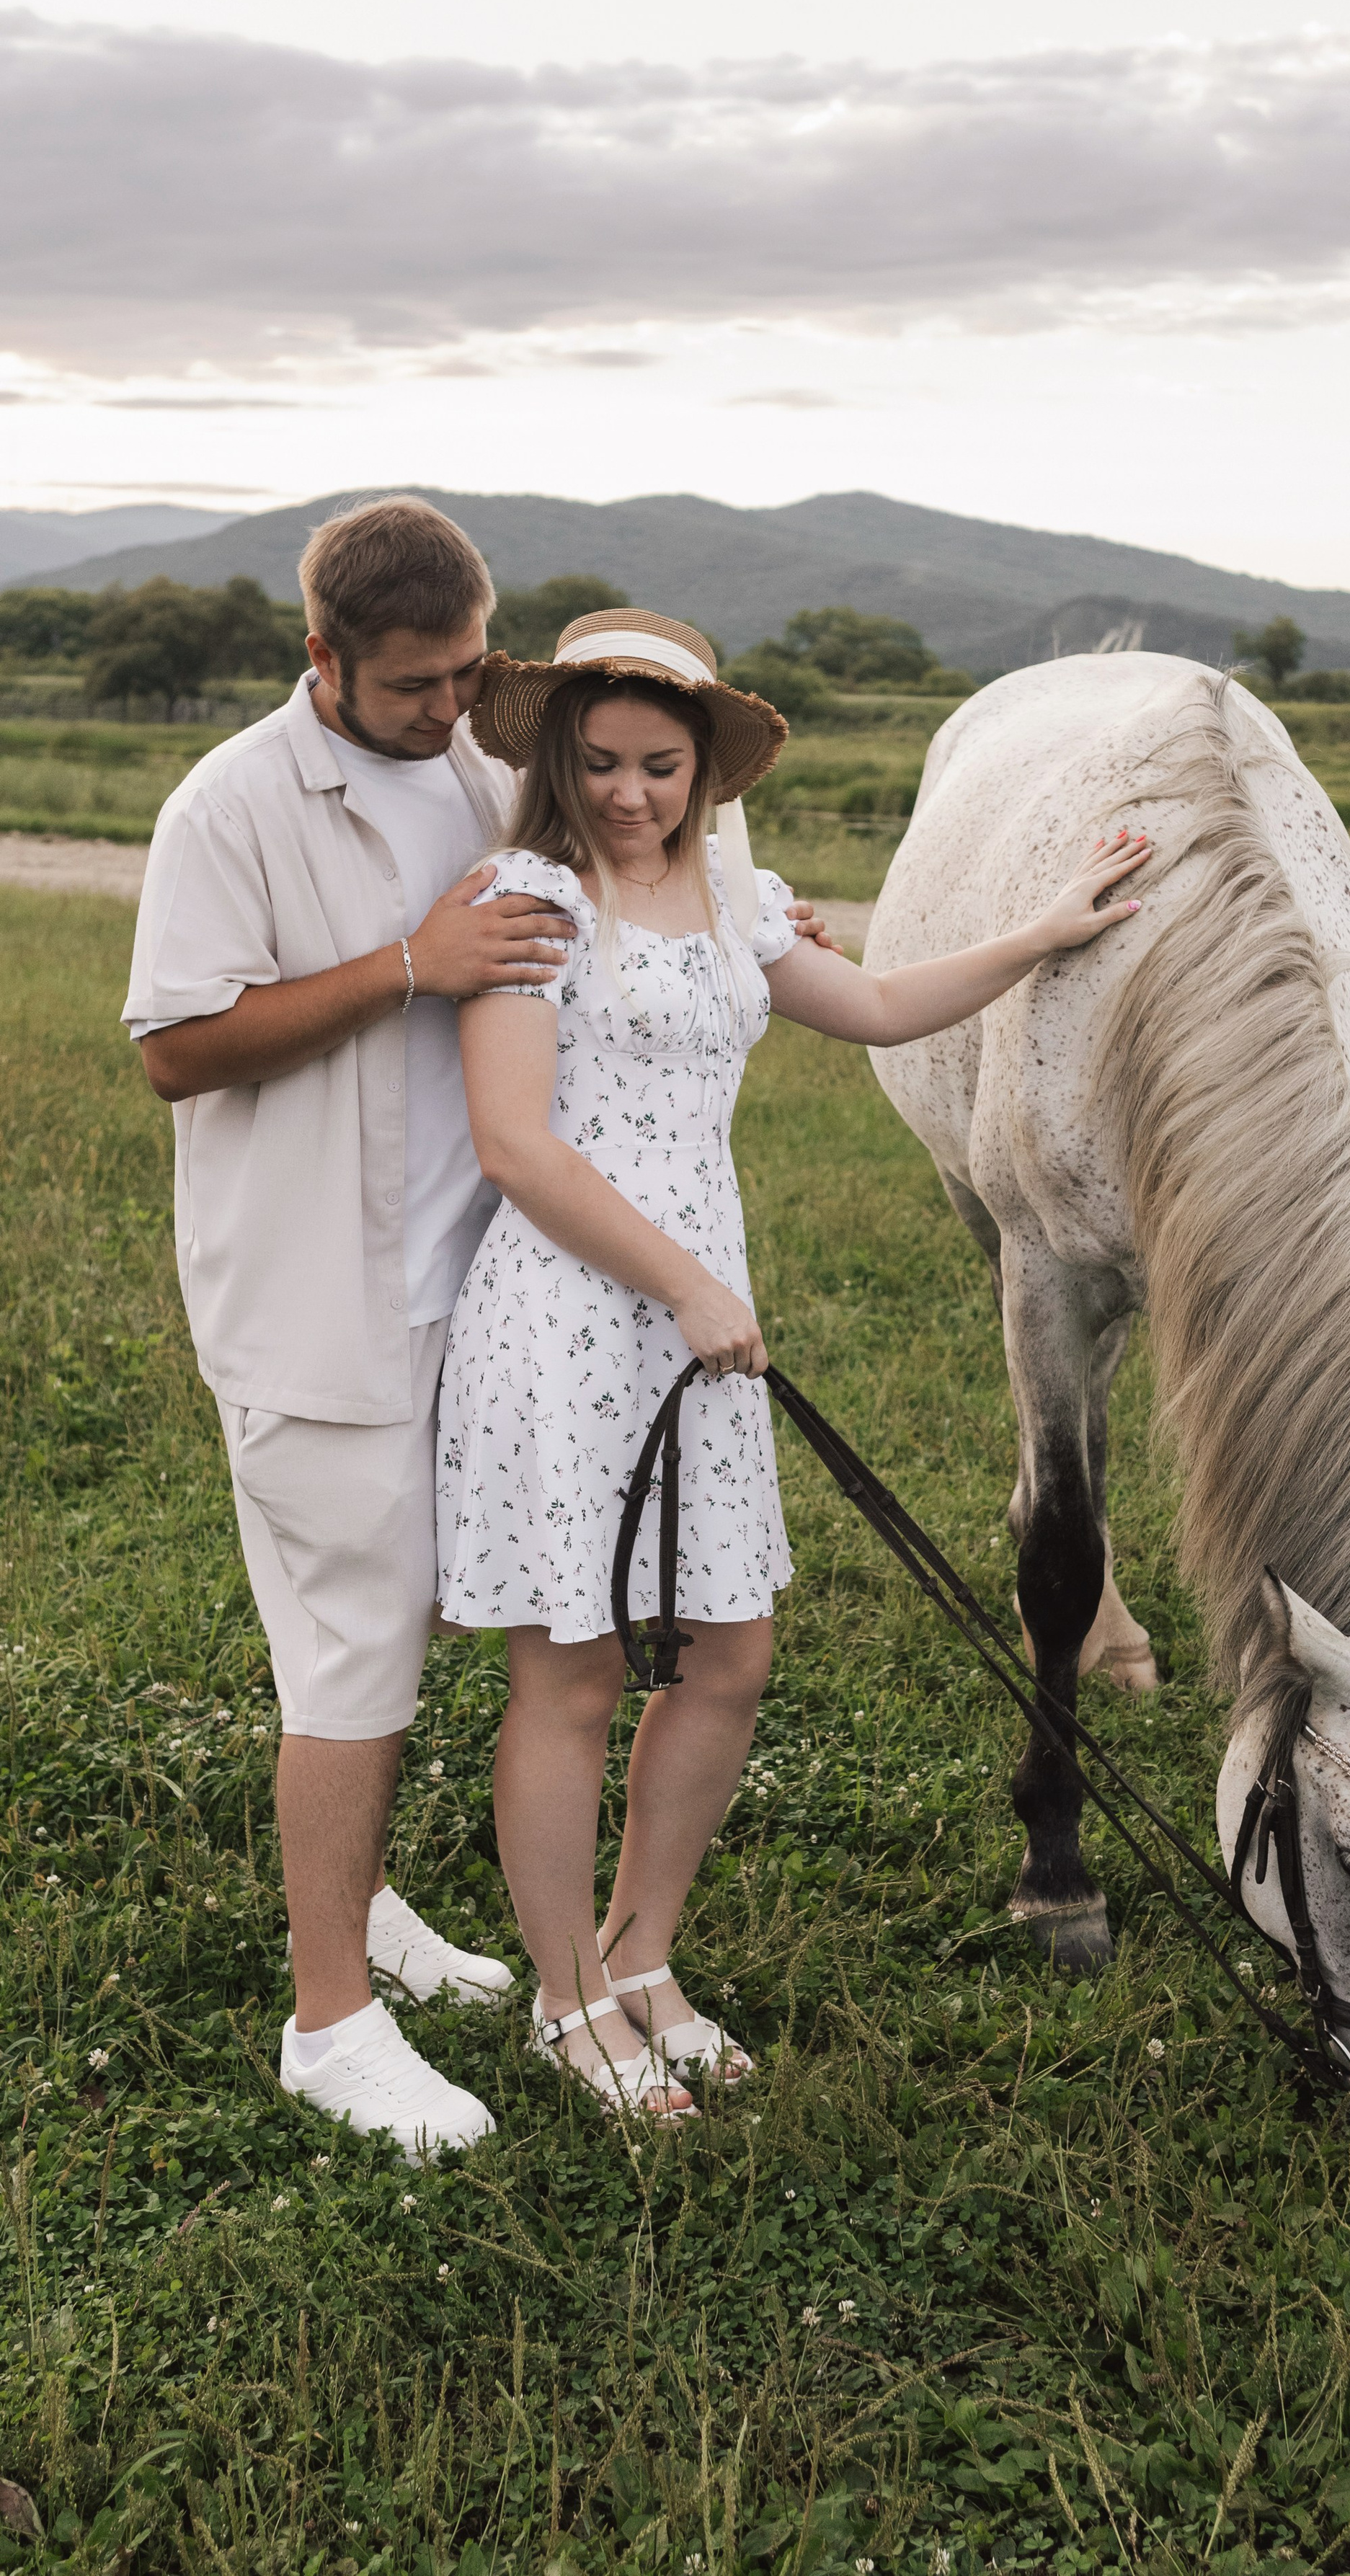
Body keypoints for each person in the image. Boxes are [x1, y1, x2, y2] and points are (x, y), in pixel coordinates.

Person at [122, 499, 839, 2160]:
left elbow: (628, 886)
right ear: (322, 660)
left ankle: (381, 1919)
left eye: (472, 676)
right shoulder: (229, 803)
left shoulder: (466, 769)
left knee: (474, 1640)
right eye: (415, 685)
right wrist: (405, 964)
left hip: (490, 1297)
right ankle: (329, 2025)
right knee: (354, 1665)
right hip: (320, 1303)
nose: (453, 711)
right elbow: (174, 1049)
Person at [438, 608, 1153, 2118]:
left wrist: (1050, 926)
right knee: (570, 1673)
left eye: (659, 765)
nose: (630, 792)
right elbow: (513, 1144)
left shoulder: (739, 901)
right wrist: (686, 1282)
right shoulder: (526, 897)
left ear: (703, 773)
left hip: (701, 1327)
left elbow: (884, 1004)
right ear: (558, 759)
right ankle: (566, 2002)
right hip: (575, 1316)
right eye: (604, 762)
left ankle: (644, 1959)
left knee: (728, 1657)